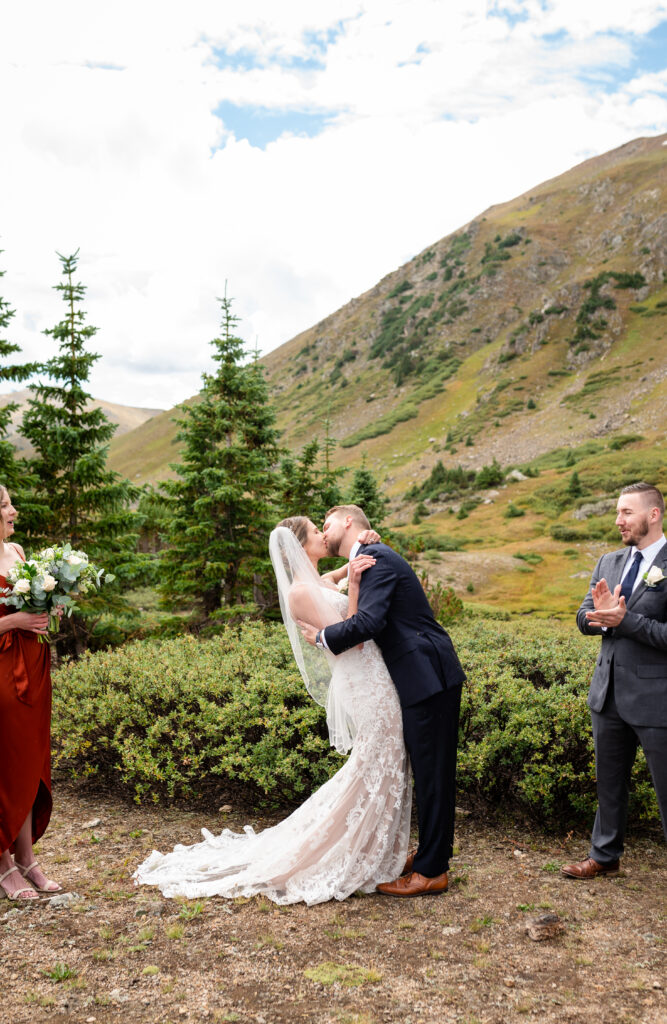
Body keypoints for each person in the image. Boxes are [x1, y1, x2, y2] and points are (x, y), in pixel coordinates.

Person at [134, 517, 413, 905]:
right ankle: (349, 848)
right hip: (362, 681)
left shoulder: (316, 580)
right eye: (316, 532)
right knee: (377, 757)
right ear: (299, 547)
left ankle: (375, 845)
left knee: (386, 756)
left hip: (374, 679)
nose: (323, 534)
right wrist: (355, 586)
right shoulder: (300, 592)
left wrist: (355, 558)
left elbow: (328, 579)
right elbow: (351, 638)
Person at [298, 504, 466, 898]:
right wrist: (346, 569)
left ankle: (432, 871)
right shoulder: (367, 557)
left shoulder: (377, 557)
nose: (324, 532)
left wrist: (321, 638)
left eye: (327, 524)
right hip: (418, 677)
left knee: (433, 773)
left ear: (349, 522)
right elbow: (341, 585)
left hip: (428, 675)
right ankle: (430, 854)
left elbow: (369, 623)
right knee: (428, 771)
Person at [562, 482, 667, 879]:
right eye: (617, 512)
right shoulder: (609, 561)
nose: (618, 520)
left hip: (658, 698)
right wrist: (596, 617)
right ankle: (604, 855)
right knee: (609, 783)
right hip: (608, 694)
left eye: (627, 512)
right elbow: (582, 615)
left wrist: (628, 621)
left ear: (653, 515)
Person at [0, 485, 61, 900]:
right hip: (3, 667)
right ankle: (4, 863)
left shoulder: (18, 550)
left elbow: (32, 603)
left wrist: (48, 606)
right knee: (7, 760)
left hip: (35, 663)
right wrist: (16, 620)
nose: (14, 510)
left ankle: (27, 857)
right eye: (5, 505)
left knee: (30, 759)